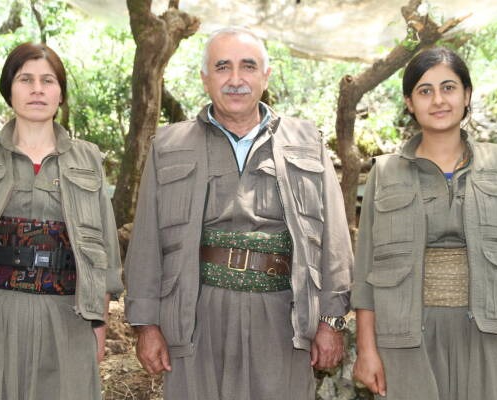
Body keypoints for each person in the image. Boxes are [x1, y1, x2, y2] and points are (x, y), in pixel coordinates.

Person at [124, 26, 353, 400]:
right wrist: (146, 325)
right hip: (195, 314)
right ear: (205, 78)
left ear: (266, 76)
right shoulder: (168, 145)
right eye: (222, 67)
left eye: (248, 66)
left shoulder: (306, 142)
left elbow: (335, 240)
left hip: (283, 316)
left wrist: (330, 320)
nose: (235, 79)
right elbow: (146, 240)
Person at [351, 46, 497, 400]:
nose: (438, 100)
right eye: (425, 91)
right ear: (410, 102)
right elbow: (366, 274)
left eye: (449, 88)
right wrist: (366, 351)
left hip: (490, 339)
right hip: (406, 344)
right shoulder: (384, 173)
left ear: (466, 95)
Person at [0, 42, 123, 399]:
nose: (37, 89)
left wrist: (99, 323)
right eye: (25, 79)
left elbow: (104, 253)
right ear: (9, 89)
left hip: (67, 318)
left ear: (61, 93)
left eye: (48, 80)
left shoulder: (87, 161)